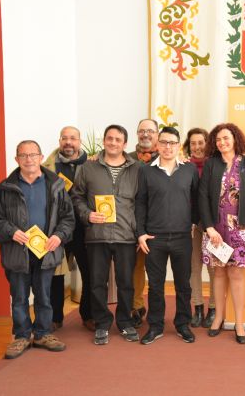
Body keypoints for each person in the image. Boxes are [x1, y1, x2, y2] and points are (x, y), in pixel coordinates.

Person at [0, 140, 74, 359]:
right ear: (16, 160)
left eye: (33, 155)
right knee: (20, 297)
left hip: (46, 251)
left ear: (41, 158)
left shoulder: (56, 185)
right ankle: (21, 336)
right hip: (17, 253)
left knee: (44, 296)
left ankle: (42, 333)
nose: (29, 159)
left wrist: (58, 236)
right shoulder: (4, 188)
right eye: (23, 155)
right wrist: (10, 231)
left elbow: (68, 218)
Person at [71, 125, 140, 345]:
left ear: (125, 144)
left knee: (126, 283)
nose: (113, 143)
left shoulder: (137, 169)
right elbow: (76, 196)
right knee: (97, 283)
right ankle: (102, 324)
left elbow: (142, 202)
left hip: (126, 235)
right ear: (104, 141)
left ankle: (125, 322)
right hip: (97, 235)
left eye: (118, 139)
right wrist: (87, 214)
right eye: (109, 138)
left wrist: (139, 232)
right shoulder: (88, 168)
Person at [199, 123, 245, 345]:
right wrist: (208, 227)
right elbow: (203, 197)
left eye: (226, 138)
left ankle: (240, 323)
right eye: (217, 139)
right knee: (217, 273)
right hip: (215, 229)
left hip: (240, 229)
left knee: (235, 274)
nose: (222, 142)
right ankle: (218, 318)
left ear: (235, 139)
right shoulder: (211, 165)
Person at [135, 127, 200, 344]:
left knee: (183, 284)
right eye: (164, 142)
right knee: (155, 285)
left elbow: (197, 200)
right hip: (155, 238)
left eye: (172, 142)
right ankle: (155, 326)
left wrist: (194, 223)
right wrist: (141, 233)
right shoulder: (145, 171)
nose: (168, 147)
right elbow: (140, 203)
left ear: (179, 145)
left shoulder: (189, 170)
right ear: (158, 145)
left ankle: (183, 324)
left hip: (182, 236)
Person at [42, 126, 93, 331]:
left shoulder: (92, 166)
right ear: (59, 141)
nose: (68, 142)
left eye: (73, 138)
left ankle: (88, 315)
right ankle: (55, 317)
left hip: (83, 229)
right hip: (56, 230)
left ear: (80, 142)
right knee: (56, 274)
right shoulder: (46, 167)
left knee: (90, 272)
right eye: (64, 138)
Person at [183, 127, 216, 328]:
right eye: (193, 143)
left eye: (201, 142)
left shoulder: (216, 165)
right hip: (191, 223)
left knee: (213, 267)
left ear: (207, 143)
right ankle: (197, 308)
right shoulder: (183, 167)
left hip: (213, 224)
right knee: (194, 267)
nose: (197, 147)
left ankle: (213, 308)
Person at [128, 119, 159, 327]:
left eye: (150, 131)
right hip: (132, 221)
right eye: (141, 131)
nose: (145, 134)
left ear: (157, 134)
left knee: (156, 268)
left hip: (159, 221)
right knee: (135, 266)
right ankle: (136, 306)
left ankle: (158, 310)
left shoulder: (168, 157)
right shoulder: (126, 158)